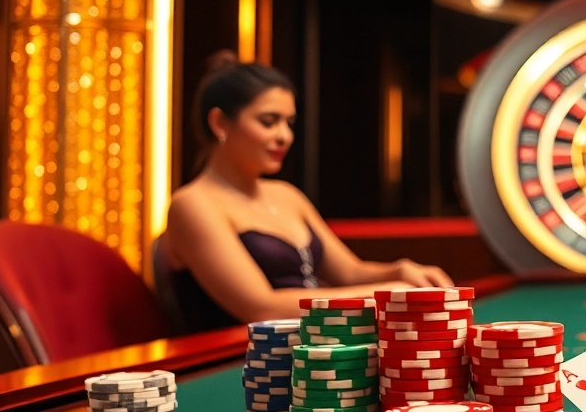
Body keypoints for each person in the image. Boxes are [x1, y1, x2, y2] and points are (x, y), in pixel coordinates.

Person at [164, 52, 452, 332]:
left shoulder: (286, 194)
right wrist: (387, 294)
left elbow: (349, 272)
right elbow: (262, 308)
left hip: (312, 351)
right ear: (220, 123)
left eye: (288, 123)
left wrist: (399, 271)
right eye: (268, 121)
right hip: (238, 365)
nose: (284, 136)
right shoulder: (192, 204)